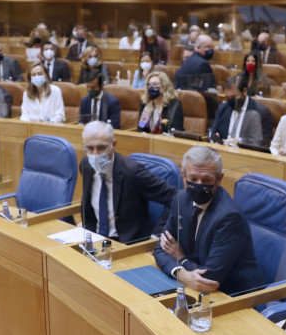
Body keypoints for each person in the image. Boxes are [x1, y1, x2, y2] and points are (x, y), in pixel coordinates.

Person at [154, 146, 263, 295]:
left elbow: (210, 279)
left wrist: (181, 258)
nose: (199, 185)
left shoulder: (229, 217)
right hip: (193, 288)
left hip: (232, 294)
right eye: (193, 179)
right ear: (184, 176)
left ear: (219, 179)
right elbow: (161, 249)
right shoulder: (180, 199)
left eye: (206, 180)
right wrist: (182, 274)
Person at [79, 120, 178, 243]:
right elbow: (88, 205)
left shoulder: (132, 172)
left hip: (128, 243)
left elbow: (176, 197)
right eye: (89, 148)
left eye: (101, 148)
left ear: (113, 144)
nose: (95, 154)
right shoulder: (85, 165)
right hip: (95, 238)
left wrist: (156, 237)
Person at [209, 76, 263, 147]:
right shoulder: (223, 108)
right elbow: (212, 132)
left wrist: (238, 141)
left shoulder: (259, 111)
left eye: (234, 97)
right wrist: (214, 138)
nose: (230, 100)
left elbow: (261, 142)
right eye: (228, 97)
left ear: (244, 91)